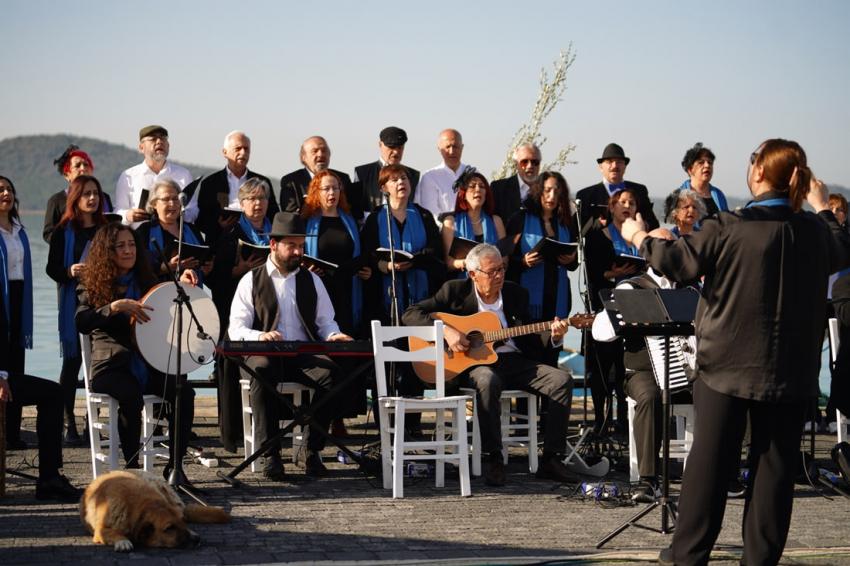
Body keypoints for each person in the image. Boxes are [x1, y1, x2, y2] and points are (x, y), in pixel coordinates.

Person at [620, 139, 850, 566]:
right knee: (774, 471)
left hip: (725, 366)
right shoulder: (816, 230)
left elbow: (677, 262)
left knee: (709, 463)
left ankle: (688, 555)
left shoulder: (729, 225)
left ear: (759, 173)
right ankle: (759, 559)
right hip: (791, 370)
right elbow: (843, 245)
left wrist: (638, 236)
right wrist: (821, 207)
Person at [402, 243, 576, 486]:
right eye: (492, 271)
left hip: (515, 361)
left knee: (561, 380)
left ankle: (552, 459)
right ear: (473, 274)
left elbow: (533, 340)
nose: (499, 276)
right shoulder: (454, 291)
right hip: (474, 365)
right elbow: (411, 313)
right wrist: (446, 332)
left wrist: (555, 335)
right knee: (487, 379)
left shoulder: (517, 294)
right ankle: (494, 457)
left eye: (502, 269)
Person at [228, 212, 354, 481]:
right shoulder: (251, 280)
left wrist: (334, 336)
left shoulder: (312, 280)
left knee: (331, 375)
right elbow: (235, 329)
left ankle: (310, 450)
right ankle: (270, 454)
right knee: (262, 370)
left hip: (301, 355)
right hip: (263, 354)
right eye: (292, 246)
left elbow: (326, 323)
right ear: (273, 245)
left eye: (301, 245)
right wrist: (260, 336)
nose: (298, 251)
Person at [76, 222, 198, 470]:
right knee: (130, 395)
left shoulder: (146, 278)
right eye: (120, 246)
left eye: (131, 245)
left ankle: (175, 469)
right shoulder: (92, 284)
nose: (128, 250)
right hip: (110, 367)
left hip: (148, 359)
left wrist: (182, 280)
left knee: (183, 391)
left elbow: (167, 294)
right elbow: (82, 321)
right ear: (106, 251)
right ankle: (132, 469)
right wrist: (113, 308)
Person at [208, 177, 273, 452]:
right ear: (242, 204)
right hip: (235, 311)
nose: (257, 204)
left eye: (261, 198)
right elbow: (215, 278)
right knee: (231, 369)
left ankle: (269, 428)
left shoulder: (276, 232)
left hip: (270, 314)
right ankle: (233, 433)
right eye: (251, 199)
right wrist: (239, 271)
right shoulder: (230, 235)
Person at [46, 175, 107, 445]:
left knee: (100, 363)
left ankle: (93, 419)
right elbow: (52, 268)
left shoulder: (108, 229)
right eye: (86, 194)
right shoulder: (63, 231)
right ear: (75, 198)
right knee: (72, 363)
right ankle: (68, 420)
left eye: (96, 193)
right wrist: (69, 271)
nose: (92, 198)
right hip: (73, 301)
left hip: (102, 302)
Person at [583, 186, 645, 433]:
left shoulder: (640, 236)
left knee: (625, 367)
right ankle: (601, 420)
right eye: (622, 202)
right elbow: (592, 274)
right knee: (602, 367)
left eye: (631, 202)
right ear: (612, 207)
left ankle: (624, 421)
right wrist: (613, 274)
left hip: (635, 310)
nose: (627, 206)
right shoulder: (599, 236)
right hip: (605, 307)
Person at [360, 164, 444, 323]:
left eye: (404, 178)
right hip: (385, 291)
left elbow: (435, 248)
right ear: (384, 188)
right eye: (395, 180)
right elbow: (369, 254)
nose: (401, 182)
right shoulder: (375, 218)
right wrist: (387, 266)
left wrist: (415, 260)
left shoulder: (423, 215)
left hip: (421, 287)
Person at [300, 170, 371, 337]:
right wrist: (306, 270)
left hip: (347, 289)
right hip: (319, 286)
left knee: (346, 335)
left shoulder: (350, 220)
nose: (332, 192)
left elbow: (357, 254)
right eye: (326, 189)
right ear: (316, 192)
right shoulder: (305, 222)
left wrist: (365, 271)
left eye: (336, 188)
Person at [506, 171, 577, 327]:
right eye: (547, 190)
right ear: (538, 191)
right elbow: (505, 261)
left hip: (557, 296)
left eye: (556, 191)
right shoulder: (520, 219)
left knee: (553, 348)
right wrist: (523, 261)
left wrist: (571, 260)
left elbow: (573, 263)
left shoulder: (566, 222)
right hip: (527, 298)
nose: (552, 196)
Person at [186, 130, 279, 245]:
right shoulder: (210, 183)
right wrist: (219, 225)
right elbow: (201, 220)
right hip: (220, 245)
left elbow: (273, 214)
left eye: (246, 149)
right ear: (225, 152)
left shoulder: (262, 182)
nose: (243, 153)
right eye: (238, 149)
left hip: (256, 243)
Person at [0, 175, 34, 450]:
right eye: (0, 190)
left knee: (16, 368)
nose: (5, 193)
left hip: (19, 297)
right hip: (2, 299)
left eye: (9, 189)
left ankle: (13, 433)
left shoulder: (19, 229)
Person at [115, 125, 196, 227]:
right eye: (153, 139)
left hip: (174, 238)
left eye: (163, 138)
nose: (159, 142)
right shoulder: (128, 176)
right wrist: (128, 215)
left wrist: (177, 213)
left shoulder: (183, 174)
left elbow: (193, 210)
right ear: (141, 147)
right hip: (140, 239)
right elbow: (118, 211)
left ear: (168, 145)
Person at [136, 179, 210, 283]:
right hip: (158, 291)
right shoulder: (145, 231)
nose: (172, 203)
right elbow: (138, 265)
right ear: (154, 204)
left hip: (193, 291)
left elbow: (204, 258)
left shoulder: (191, 230)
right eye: (166, 199)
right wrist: (167, 267)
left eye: (176, 199)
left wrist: (206, 268)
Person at [575, 143, 659, 234]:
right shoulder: (585, 195)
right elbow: (577, 232)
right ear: (601, 167)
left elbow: (653, 225)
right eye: (609, 161)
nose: (615, 166)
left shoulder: (639, 190)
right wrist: (598, 223)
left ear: (625, 166)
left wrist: (642, 225)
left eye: (619, 162)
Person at [441, 168, 506, 277]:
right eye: (472, 186)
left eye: (482, 186)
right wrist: (467, 263)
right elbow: (448, 263)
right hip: (463, 283)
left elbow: (505, 260)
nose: (478, 190)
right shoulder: (450, 222)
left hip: (493, 281)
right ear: (463, 194)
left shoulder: (496, 221)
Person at [43, 145, 114, 243]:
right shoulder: (56, 201)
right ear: (67, 175)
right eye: (77, 165)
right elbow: (48, 233)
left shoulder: (104, 197)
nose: (83, 168)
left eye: (86, 164)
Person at [352, 126, 420, 221]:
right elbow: (356, 210)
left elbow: (417, 209)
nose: (396, 152)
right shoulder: (362, 173)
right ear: (380, 144)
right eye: (391, 147)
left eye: (400, 147)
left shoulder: (413, 175)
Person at [280, 136, 354, 215]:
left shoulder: (342, 178)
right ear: (303, 157)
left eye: (324, 150)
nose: (320, 154)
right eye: (314, 151)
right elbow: (290, 215)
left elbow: (351, 210)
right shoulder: (291, 181)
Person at [414, 129, 468, 223]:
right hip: (444, 232)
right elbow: (432, 213)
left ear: (462, 147)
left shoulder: (472, 173)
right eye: (447, 147)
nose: (451, 151)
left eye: (455, 146)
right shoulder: (430, 177)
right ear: (439, 149)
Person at [490, 143, 542, 225]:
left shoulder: (546, 192)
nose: (530, 166)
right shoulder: (498, 189)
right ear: (516, 164)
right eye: (524, 162)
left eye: (535, 162)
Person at [677, 142, 728, 216]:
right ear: (690, 169)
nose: (707, 165)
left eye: (710, 163)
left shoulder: (719, 195)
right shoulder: (680, 195)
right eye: (701, 163)